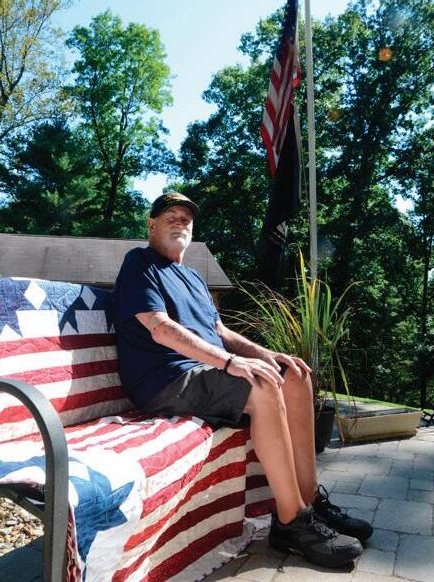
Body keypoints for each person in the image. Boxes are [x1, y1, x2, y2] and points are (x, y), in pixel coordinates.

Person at [113, 192, 372, 569]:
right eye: (170, 216)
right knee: (263, 387)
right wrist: (230, 362)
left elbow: (220, 331)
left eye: (186, 218)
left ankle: (310, 500)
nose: (180, 221)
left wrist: (268, 356)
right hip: (167, 379)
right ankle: (291, 522)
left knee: (295, 375)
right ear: (151, 226)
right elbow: (160, 328)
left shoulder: (194, 278)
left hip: (206, 374)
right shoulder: (140, 263)